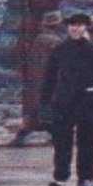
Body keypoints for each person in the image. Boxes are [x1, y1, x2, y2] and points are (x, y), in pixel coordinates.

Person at [40, 12, 93, 186]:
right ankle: (60, 178)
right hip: (63, 102)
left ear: (85, 28)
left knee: (87, 141)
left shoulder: (92, 51)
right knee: (61, 142)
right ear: (67, 28)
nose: (75, 29)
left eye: (79, 25)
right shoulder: (60, 50)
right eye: (72, 25)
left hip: (86, 102)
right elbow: (49, 78)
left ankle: (84, 179)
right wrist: (45, 103)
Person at [19, 10, 66, 144]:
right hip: (50, 81)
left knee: (36, 110)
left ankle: (24, 133)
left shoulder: (38, 39)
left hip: (36, 81)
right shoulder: (56, 41)